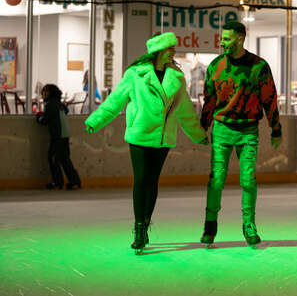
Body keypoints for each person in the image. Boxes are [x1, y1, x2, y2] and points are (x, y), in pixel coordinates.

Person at [84, 32, 208, 254]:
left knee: (152, 181)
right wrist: (95, 120)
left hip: (163, 138)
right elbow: (115, 101)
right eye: (169, 48)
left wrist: (198, 134)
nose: (173, 52)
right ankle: (139, 227)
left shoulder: (177, 78)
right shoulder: (135, 74)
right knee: (141, 179)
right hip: (140, 135)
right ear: (159, 51)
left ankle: (145, 222)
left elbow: (185, 111)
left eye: (173, 48)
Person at [199, 21, 282, 247]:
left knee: (248, 180)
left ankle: (249, 224)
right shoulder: (216, 66)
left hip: (248, 131)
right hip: (222, 129)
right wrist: (203, 126)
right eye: (222, 38)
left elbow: (270, 99)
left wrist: (276, 129)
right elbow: (210, 100)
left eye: (227, 38)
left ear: (240, 38)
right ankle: (210, 223)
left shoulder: (259, 66)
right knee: (216, 180)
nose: (222, 42)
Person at [36, 84, 82, 190]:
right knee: (64, 159)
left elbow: (44, 120)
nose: (43, 94)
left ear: (51, 93)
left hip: (57, 136)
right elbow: (66, 110)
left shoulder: (50, 105)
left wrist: (38, 117)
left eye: (45, 92)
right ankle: (75, 181)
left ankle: (58, 183)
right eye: (43, 91)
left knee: (53, 159)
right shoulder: (59, 104)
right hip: (64, 135)